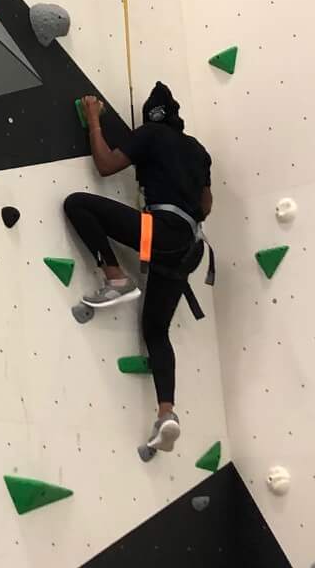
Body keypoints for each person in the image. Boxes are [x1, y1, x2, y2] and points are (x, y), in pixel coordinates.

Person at [63, 82, 213, 456]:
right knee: (156, 331)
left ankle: (115, 275)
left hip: (159, 231)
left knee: (78, 204)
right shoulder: (198, 151)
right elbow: (206, 205)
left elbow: (105, 164)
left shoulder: (151, 134)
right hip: (189, 250)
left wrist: (94, 121)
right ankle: (166, 413)